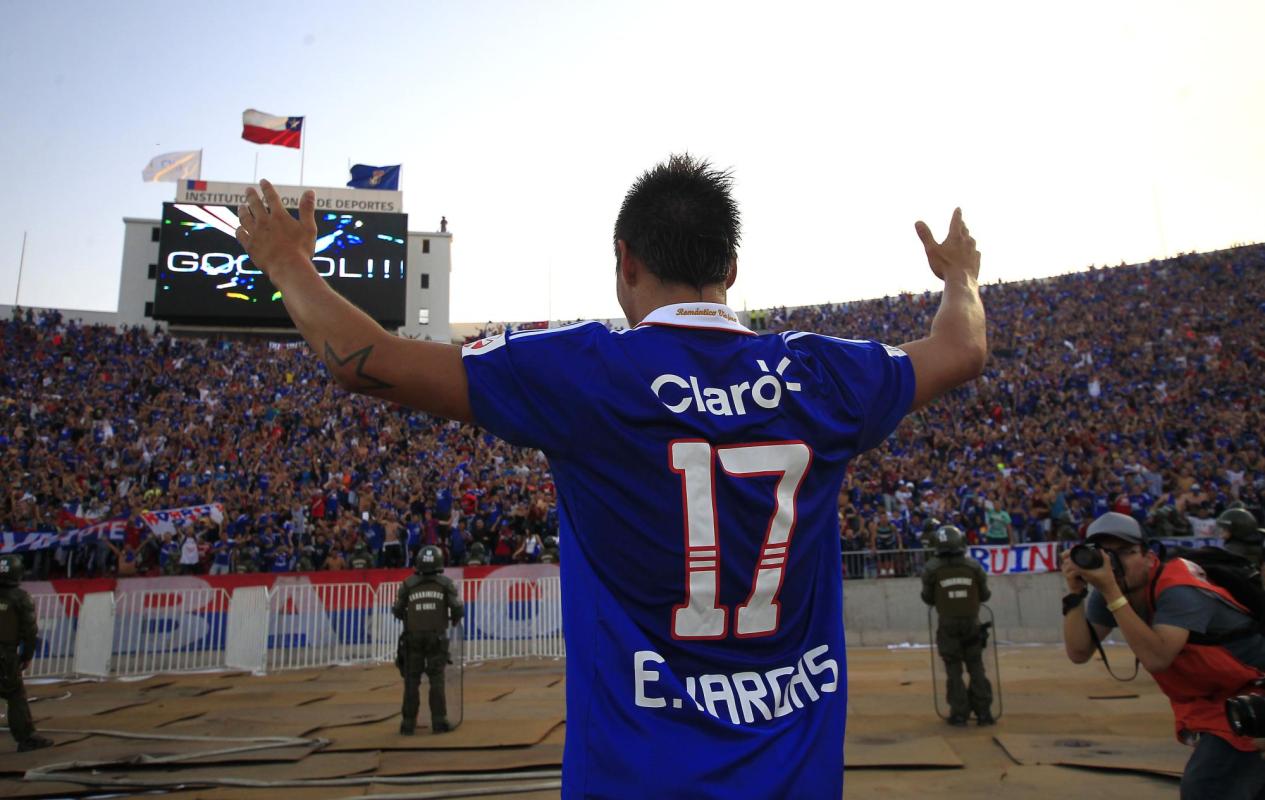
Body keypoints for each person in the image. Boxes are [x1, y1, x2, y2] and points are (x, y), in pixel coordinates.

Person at [235, 156, 986, 797]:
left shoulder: (584, 370)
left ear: (625, 260)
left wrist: (287, 263)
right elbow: (961, 349)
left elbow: (364, 361)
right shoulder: (825, 374)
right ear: (730, 268)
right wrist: (959, 276)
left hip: (634, 774)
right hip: (795, 774)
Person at [1062, 511, 1265, 798]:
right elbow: (1079, 651)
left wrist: (1111, 592)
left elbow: (1158, 658)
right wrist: (1074, 594)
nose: (1115, 563)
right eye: (1106, 554)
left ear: (1149, 556)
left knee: (1206, 787)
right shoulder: (1110, 592)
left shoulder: (1178, 587)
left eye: (1126, 551)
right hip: (1217, 700)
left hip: (1252, 693)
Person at [920, 525, 994, 726]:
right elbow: (985, 595)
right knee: (976, 666)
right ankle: (984, 712)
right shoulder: (973, 567)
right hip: (972, 622)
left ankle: (959, 713)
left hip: (947, 624)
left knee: (953, 669)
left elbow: (927, 598)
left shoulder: (931, 569)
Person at [392, 545, 463, 734]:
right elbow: (457, 607)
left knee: (411, 681)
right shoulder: (445, 583)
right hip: (436, 637)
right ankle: (439, 721)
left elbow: (397, 609)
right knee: (436, 679)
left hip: (413, 637)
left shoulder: (408, 584)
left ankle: (408, 724)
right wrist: (455, 619)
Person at [0, 554, 53, 751]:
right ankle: (26, 738)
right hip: (5, 655)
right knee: (15, 695)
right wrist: (27, 656)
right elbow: (30, 632)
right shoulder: (21, 598)